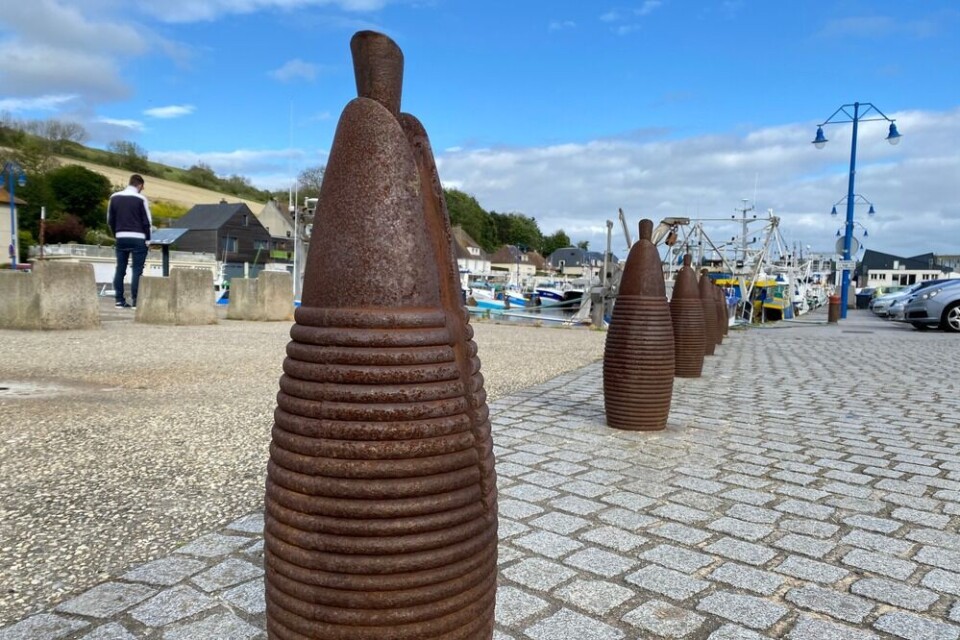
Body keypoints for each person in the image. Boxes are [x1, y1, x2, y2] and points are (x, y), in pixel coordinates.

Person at [108, 174, 152, 308]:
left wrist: (116, 234)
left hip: (121, 236)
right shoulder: (140, 199)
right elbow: (147, 221)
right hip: (138, 237)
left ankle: (119, 300)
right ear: (139, 185)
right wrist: (148, 239)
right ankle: (136, 301)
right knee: (137, 270)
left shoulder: (114, 197)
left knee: (120, 269)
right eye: (142, 187)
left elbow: (110, 220)